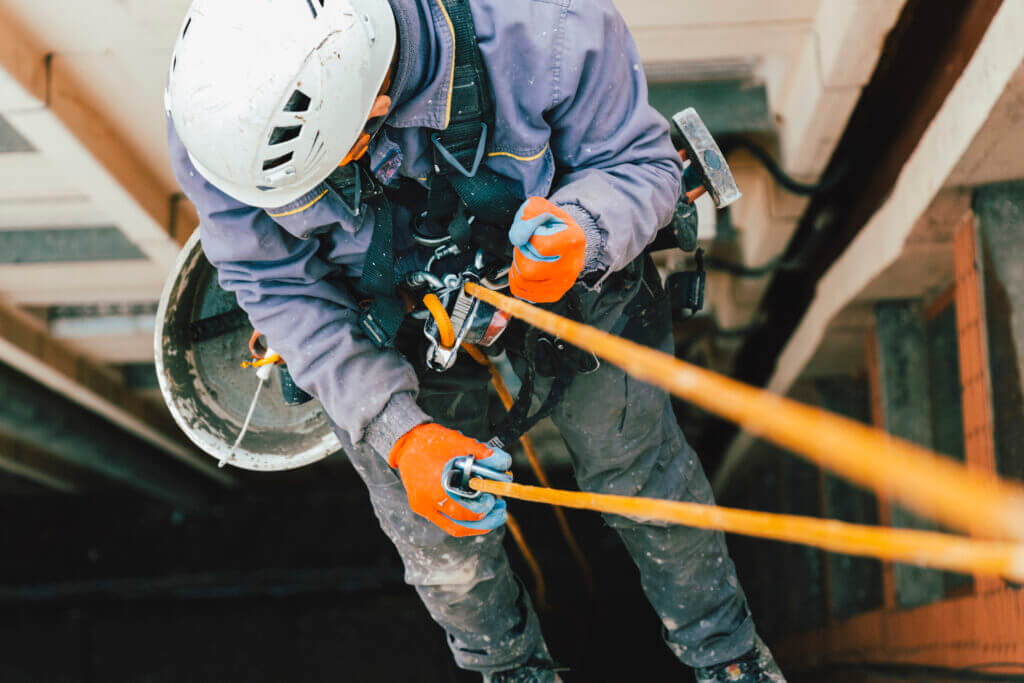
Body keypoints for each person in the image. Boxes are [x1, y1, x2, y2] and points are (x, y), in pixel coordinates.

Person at [165, 0, 785, 680]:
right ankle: (510, 668)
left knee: (636, 467)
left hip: (565, 264)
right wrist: (401, 432)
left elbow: (643, 167)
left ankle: (726, 655)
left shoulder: (551, 25)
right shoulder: (220, 123)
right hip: (394, 317)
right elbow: (277, 287)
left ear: (373, 108)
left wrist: (585, 233)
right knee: (440, 534)